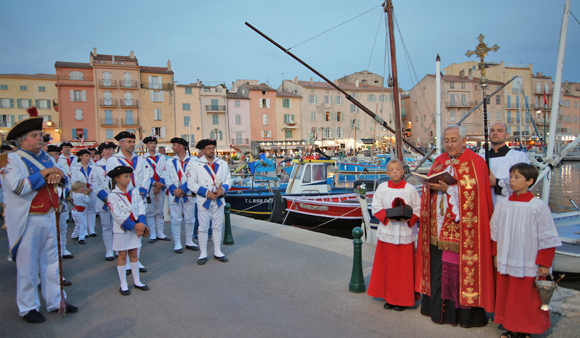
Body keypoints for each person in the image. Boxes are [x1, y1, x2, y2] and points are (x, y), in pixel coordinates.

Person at [2, 107, 77, 323]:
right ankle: (28, 307)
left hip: (50, 215)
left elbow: (63, 179)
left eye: (39, 135)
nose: (39, 139)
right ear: (21, 140)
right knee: (27, 266)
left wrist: (59, 175)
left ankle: (56, 301)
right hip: (28, 219)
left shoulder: (46, 157)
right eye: (34, 136)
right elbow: (18, 187)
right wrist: (46, 173)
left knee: (52, 262)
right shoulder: (11, 160)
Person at [416, 125, 494, 327]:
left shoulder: (476, 163)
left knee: (458, 271)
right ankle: (436, 310)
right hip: (437, 225)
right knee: (438, 268)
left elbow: (476, 198)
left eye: (453, 140)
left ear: (463, 140)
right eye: (446, 140)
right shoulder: (439, 161)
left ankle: (462, 316)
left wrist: (449, 188)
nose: (449, 144)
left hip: (463, 229)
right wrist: (431, 186)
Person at [490, 163, 562, 338]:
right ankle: (511, 327)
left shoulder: (538, 206)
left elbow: (548, 236)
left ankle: (526, 330)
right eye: (511, 176)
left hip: (528, 258)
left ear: (529, 181)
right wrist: (495, 254)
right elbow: (495, 231)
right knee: (509, 294)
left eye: (517, 177)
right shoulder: (503, 204)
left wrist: (544, 263)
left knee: (526, 297)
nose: (512, 181)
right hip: (507, 257)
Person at [368, 159, 420, 311]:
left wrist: (409, 219)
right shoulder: (382, 188)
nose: (395, 172)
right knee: (387, 266)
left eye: (398, 169)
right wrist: (387, 216)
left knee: (403, 268)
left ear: (403, 171)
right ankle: (388, 297)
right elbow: (376, 206)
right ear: (387, 173)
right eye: (392, 170)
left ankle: (402, 299)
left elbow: (418, 208)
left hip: (404, 231)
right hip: (388, 230)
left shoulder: (410, 189)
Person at [106, 131, 152, 273]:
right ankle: (125, 262)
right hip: (122, 199)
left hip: (137, 198)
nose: (132, 144)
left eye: (133, 142)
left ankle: (135, 260)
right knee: (124, 229)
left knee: (138, 229)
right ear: (121, 143)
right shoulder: (113, 160)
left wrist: (142, 192)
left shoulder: (140, 159)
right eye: (129, 142)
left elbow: (147, 176)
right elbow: (111, 181)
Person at [187, 139, 232, 265]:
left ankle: (217, 251)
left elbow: (229, 180)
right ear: (202, 150)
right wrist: (206, 193)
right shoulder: (195, 164)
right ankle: (203, 253)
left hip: (219, 199)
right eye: (208, 148)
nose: (211, 150)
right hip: (204, 200)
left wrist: (222, 190)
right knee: (203, 228)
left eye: (213, 148)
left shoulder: (222, 163)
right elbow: (191, 184)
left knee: (217, 226)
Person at [107, 166, 150, 295]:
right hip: (123, 229)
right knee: (122, 255)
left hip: (136, 227)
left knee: (134, 254)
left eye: (129, 176)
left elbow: (141, 207)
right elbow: (117, 215)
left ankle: (137, 281)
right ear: (117, 179)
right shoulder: (112, 195)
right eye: (125, 177)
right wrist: (135, 226)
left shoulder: (134, 191)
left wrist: (141, 223)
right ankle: (123, 284)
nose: (128, 179)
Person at [166, 137, 199, 253]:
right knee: (176, 220)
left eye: (174, 145)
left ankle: (189, 241)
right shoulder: (170, 161)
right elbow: (166, 176)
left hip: (188, 194)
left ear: (181, 146)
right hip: (174, 194)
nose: (172, 147)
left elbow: (195, 177)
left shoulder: (194, 160)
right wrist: (174, 189)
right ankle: (177, 243)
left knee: (190, 219)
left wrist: (183, 189)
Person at [486, 122, 530, 206]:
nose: (495, 133)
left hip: (511, 206)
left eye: (500, 131)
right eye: (492, 131)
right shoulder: (481, 158)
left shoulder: (518, 156)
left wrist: (497, 182)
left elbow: (525, 182)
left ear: (507, 135)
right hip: (487, 206)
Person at [46, 144, 73, 259]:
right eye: (53, 154)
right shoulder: (46, 166)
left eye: (57, 154)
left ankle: (63, 249)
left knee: (63, 227)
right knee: (51, 230)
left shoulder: (60, 166)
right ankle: (53, 252)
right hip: (49, 202)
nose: (56, 156)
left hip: (61, 201)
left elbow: (67, 181)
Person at [142, 136, 169, 243]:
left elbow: (165, 171)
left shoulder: (162, 157)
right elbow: (144, 174)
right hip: (150, 188)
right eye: (150, 143)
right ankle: (152, 233)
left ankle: (160, 232)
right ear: (146, 145)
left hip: (160, 187)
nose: (153, 145)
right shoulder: (143, 158)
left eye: (154, 143)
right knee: (150, 212)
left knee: (160, 211)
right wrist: (154, 183)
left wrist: (160, 184)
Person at [94, 141, 117, 261]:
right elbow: (95, 185)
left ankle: (118, 248)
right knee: (106, 226)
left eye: (111, 149)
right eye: (105, 149)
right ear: (101, 152)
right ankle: (109, 250)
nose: (108, 152)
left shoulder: (118, 164)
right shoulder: (96, 166)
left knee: (117, 225)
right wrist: (106, 198)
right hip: (103, 200)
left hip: (118, 200)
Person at [70, 149, 98, 237]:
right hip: (80, 192)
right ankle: (84, 231)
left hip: (91, 191)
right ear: (81, 157)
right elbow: (74, 180)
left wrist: (90, 188)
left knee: (91, 210)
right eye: (86, 156)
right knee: (83, 211)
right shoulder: (75, 167)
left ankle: (92, 230)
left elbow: (96, 179)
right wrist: (84, 189)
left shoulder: (93, 166)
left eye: (88, 156)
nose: (88, 157)